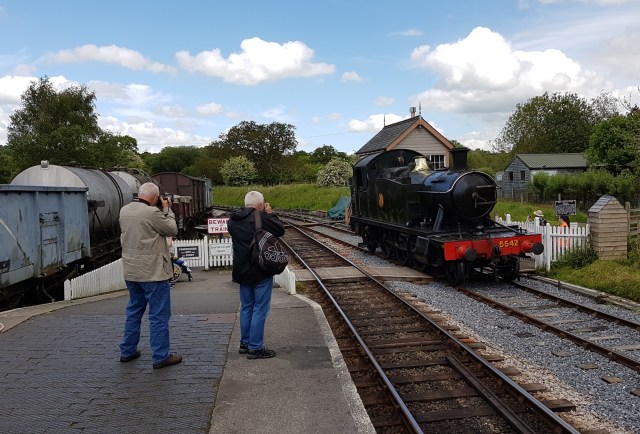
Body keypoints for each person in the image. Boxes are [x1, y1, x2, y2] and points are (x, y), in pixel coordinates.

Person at [118, 182, 182, 369]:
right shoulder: (152, 213)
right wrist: (167, 210)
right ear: (155, 197)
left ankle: (127, 351)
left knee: (134, 311)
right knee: (158, 315)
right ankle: (161, 356)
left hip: (132, 271)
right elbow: (171, 229)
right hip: (153, 273)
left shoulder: (124, 211)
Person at [227, 191, 285, 360]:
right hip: (260, 269)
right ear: (260, 204)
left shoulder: (232, 220)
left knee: (246, 307)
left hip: (241, 270)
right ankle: (255, 347)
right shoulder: (261, 217)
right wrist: (270, 214)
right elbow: (280, 230)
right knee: (260, 308)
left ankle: (245, 343)